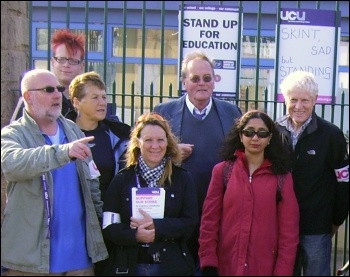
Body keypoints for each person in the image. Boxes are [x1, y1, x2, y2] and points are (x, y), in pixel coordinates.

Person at [1, 69, 108, 275]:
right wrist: (63, 151)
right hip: (33, 260)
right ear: (28, 97)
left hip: (80, 257)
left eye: (59, 89)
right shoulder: (13, 134)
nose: (58, 95)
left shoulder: (72, 130)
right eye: (48, 90)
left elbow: (92, 180)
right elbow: (13, 164)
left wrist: (97, 221)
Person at [153, 50, 242, 270]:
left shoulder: (232, 113)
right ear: (184, 81)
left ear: (214, 80)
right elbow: (144, 154)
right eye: (194, 78)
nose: (201, 83)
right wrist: (170, 154)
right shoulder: (163, 113)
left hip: (219, 209)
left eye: (207, 78)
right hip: (177, 211)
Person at [198, 110, 300, 276]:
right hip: (227, 266)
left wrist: (283, 271)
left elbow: (289, 233)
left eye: (262, 133)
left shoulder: (282, 177)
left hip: (264, 267)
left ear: (269, 139)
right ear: (240, 136)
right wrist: (208, 262)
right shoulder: (223, 171)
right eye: (249, 132)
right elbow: (209, 221)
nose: (255, 138)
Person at [102, 112, 198, 276]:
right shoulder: (122, 180)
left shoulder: (182, 179)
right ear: (138, 143)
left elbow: (190, 222)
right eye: (148, 140)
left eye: (160, 140)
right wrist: (135, 235)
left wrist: (158, 227)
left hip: (170, 267)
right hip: (131, 265)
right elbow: (109, 228)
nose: (155, 146)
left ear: (167, 142)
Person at [276, 71, 349, 276]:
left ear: (315, 100)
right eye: (293, 100)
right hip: (280, 226)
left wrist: (336, 220)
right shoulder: (273, 131)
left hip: (316, 228)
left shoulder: (332, 135)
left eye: (305, 100)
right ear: (285, 99)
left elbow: (344, 182)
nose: (298, 106)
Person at [66, 71, 131, 202]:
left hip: (107, 211)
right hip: (72, 209)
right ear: (76, 102)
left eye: (104, 97)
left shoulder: (119, 134)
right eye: (95, 97)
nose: (102, 103)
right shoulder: (61, 133)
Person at [51, 29, 85, 116]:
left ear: (81, 66)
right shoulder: (39, 95)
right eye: (61, 59)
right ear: (53, 62)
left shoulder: (87, 99)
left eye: (73, 61)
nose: (66, 65)